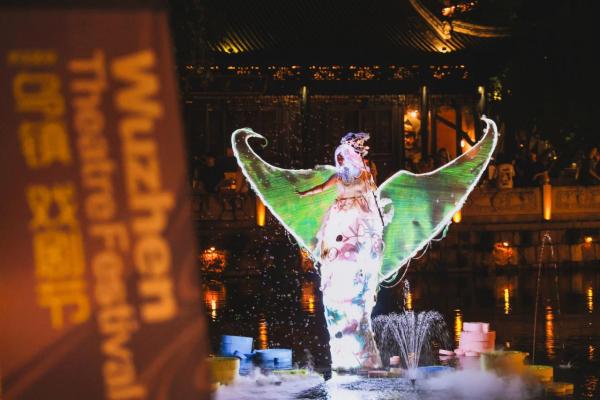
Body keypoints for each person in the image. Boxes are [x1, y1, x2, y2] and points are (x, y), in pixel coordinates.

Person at [296, 132, 383, 370]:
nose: (342, 160)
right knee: (339, 261)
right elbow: (320, 188)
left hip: (361, 222)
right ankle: (344, 338)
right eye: (340, 157)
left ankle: (362, 341)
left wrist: (377, 224)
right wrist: (305, 193)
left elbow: (374, 195)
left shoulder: (364, 175)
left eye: (345, 156)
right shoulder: (338, 177)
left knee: (360, 269)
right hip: (341, 223)